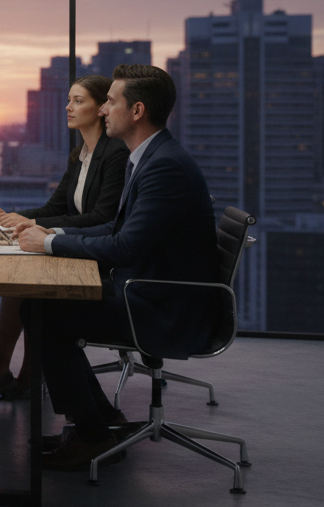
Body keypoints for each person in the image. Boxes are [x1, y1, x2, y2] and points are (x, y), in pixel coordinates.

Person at [16, 64, 217, 470]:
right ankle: (101, 420)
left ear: (137, 110)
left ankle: (91, 435)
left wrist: (51, 243)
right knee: (42, 305)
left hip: (166, 307)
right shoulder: (149, 156)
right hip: (148, 289)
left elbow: (125, 246)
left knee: (43, 311)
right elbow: (119, 227)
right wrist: (50, 233)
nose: (104, 109)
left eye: (110, 101)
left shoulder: (163, 166)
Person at [0, 76, 130, 405]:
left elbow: (103, 219)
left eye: (78, 101)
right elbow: (56, 207)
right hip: (76, 245)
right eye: (68, 100)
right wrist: (12, 216)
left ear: (102, 108)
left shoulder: (116, 155)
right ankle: (14, 375)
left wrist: (33, 224)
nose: (68, 107)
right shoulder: (80, 153)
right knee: (19, 278)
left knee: (25, 282)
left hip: (97, 255)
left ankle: (12, 375)